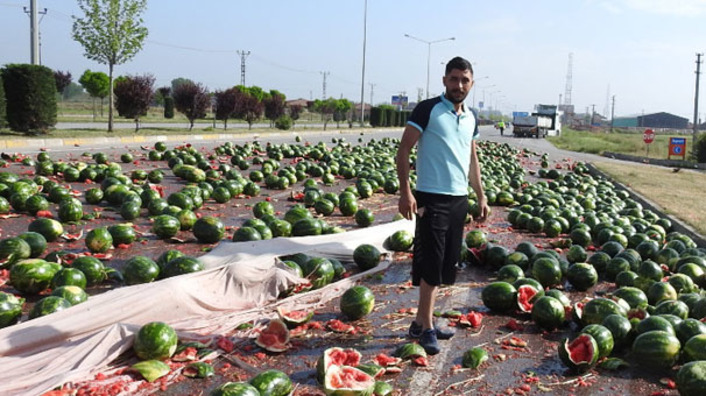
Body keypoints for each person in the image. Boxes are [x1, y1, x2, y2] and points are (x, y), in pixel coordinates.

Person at [396, 56, 490, 355]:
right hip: (431, 196)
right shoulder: (428, 109)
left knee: (447, 264)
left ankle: (421, 321)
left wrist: (481, 195)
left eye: (464, 80)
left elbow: (472, 158)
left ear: (471, 83)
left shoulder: (471, 117)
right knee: (431, 263)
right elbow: (403, 151)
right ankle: (425, 327)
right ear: (444, 80)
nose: (458, 85)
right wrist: (405, 192)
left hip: (458, 199)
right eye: (453, 79)